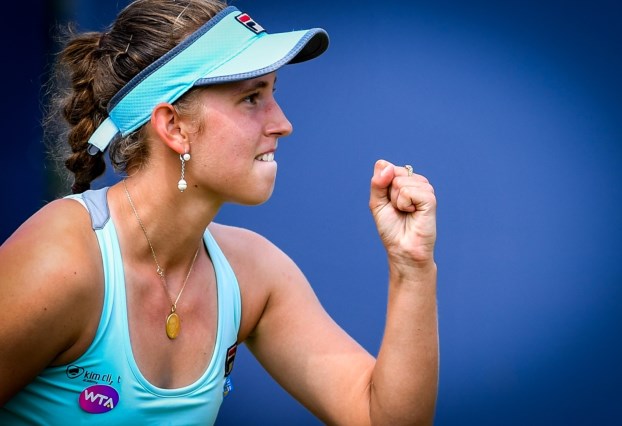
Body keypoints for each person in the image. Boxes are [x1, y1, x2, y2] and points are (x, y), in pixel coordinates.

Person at [0, 0, 439, 424]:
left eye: (272, 93)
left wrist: (412, 266)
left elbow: (379, 417)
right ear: (174, 127)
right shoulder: (61, 260)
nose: (283, 124)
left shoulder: (254, 273)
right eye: (251, 98)